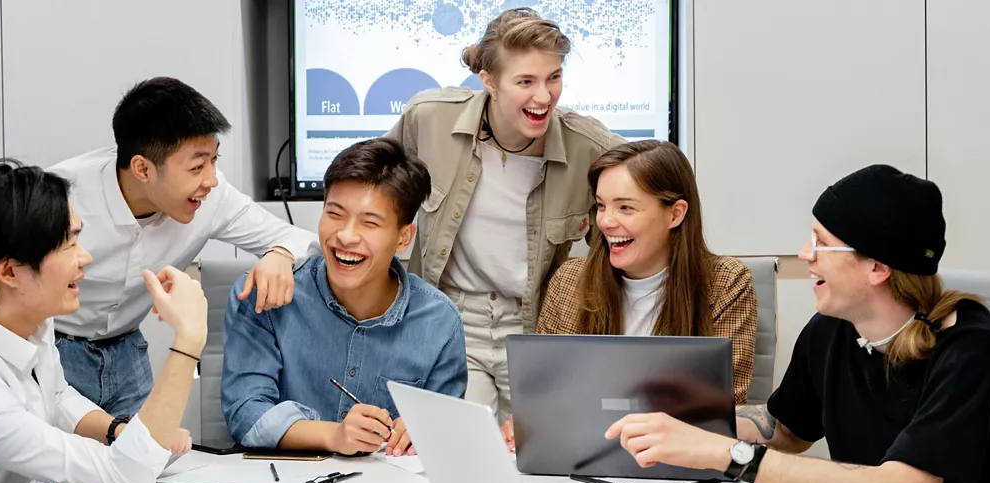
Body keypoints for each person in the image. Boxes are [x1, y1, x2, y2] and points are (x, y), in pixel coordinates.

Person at [604, 165, 990, 483]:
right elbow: (787, 429)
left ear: (878, 267)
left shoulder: (972, 351)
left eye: (820, 243)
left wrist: (728, 454)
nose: (805, 255)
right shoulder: (834, 328)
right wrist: (681, 416)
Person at [0, 159, 209, 483]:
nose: (85, 257)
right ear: (10, 272)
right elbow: (127, 475)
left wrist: (116, 431)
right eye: (68, 245)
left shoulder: (24, 318)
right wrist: (189, 339)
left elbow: (55, 394)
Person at [385, 8, 625, 423]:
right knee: (459, 442)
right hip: (452, 320)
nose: (544, 96)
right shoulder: (429, 117)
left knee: (543, 447)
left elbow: (656, 198)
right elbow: (371, 188)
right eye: (525, 81)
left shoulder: (590, 146)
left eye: (554, 77)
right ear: (489, 81)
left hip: (537, 326)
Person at [48, 77, 317, 417]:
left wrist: (281, 253)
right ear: (142, 168)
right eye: (197, 166)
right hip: (53, 348)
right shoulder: (61, 194)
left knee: (149, 450)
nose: (211, 179)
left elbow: (304, 241)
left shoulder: (213, 198)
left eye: (214, 160)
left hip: (127, 352)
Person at [501, 140, 758, 450]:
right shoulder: (570, 281)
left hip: (678, 460)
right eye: (601, 205)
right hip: (581, 456)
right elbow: (545, 395)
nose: (606, 222)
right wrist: (529, 421)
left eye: (625, 207)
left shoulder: (726, 282)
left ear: (675, 214)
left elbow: (724, 413)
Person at [222, 138, 468, 457]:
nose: (346, 236)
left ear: (404, 237)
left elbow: (446, 428)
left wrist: (426, 431)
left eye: (370, 222)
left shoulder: (439, 322)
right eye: (335, 214)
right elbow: (246, 414)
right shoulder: (266, 294)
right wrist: (334, 435)